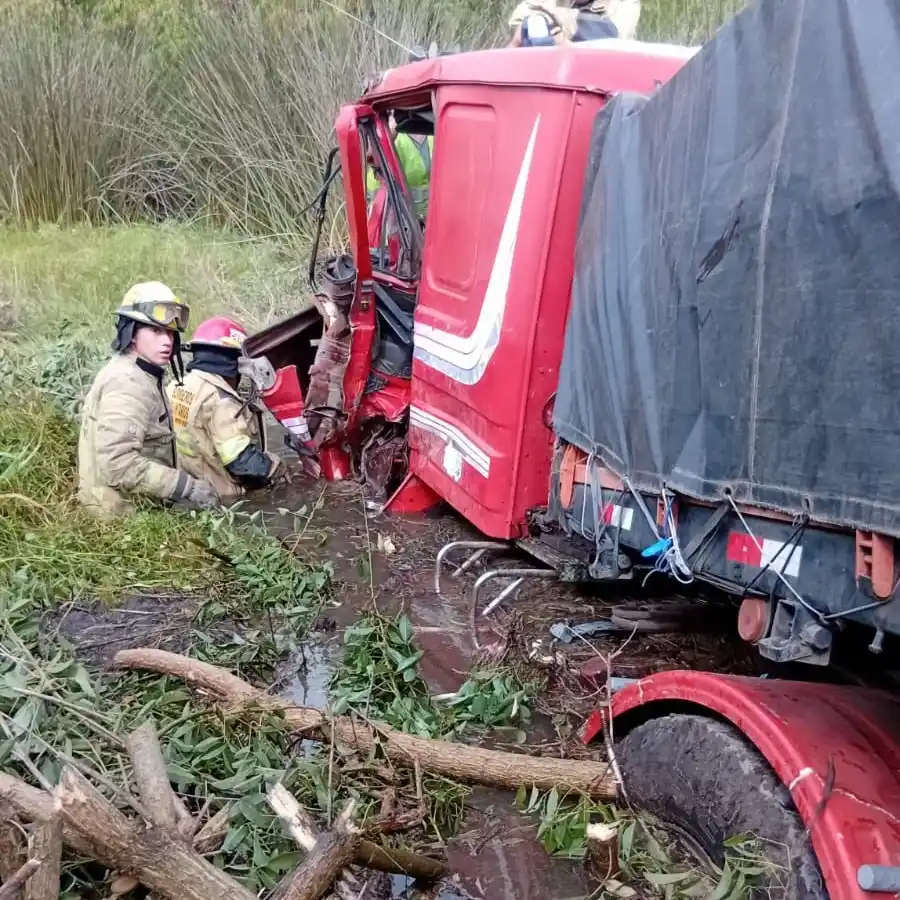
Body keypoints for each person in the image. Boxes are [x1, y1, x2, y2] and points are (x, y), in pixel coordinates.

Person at [77, 282, 219, 521]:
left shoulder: (143, 373)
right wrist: (187, 487)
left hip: (138, 510)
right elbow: (118, 465)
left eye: (170, 333)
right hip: (120, 518)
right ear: (132, 332)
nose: (167, 341)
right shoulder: (127, 383)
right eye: (155, 331)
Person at [167, 316, 283, 502]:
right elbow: (244, 464)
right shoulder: (221, 401)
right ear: (234, 361)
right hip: (221, 497)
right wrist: (277, 467)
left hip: (186, 489)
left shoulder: (176, 386)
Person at [508, 0, 640, 47]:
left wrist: (565, 28)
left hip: (602, 79)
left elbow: (614, 36)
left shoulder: (623, 3)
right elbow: (519, 17)